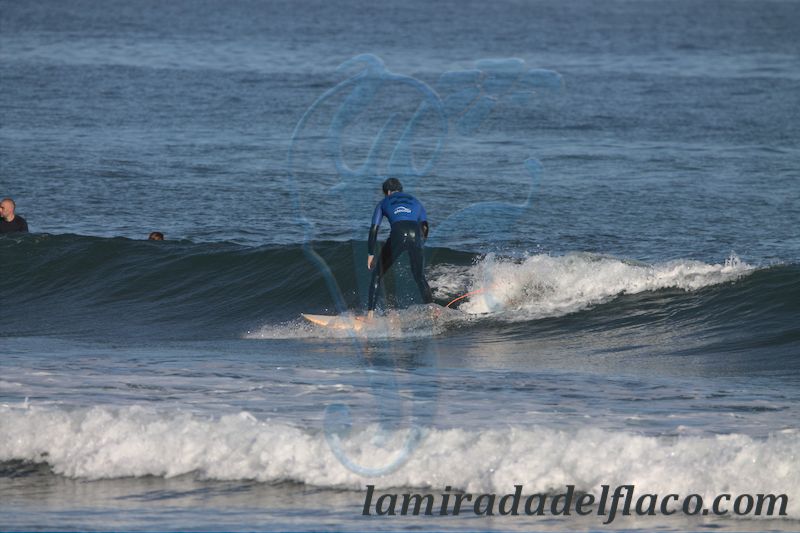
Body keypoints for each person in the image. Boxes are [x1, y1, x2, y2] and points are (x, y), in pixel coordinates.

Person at [367, 178, 433, 316]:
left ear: (388, 192)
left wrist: (370, 254)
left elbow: (374, 229)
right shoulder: (416, 201)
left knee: (377, 275)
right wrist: (420, 244)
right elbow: (425, 226)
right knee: (419, 276)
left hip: (398, 232)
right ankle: (432, 310)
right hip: (416, 234)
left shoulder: (384, 202)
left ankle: (370, 316)